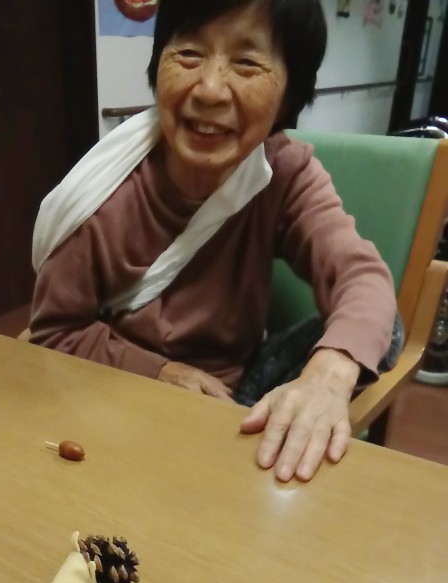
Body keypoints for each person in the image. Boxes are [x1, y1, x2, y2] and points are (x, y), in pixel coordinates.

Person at [28, 0, 398, 482]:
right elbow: (56, 332)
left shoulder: (284, 173)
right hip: (118, 396)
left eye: (246, 62)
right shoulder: (103, 193)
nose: (209, 89)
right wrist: (162, 373)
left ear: (291, 91)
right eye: (188, 53)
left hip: (236, 397)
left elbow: (359, 276)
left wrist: (327, 377)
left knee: (382, 332)